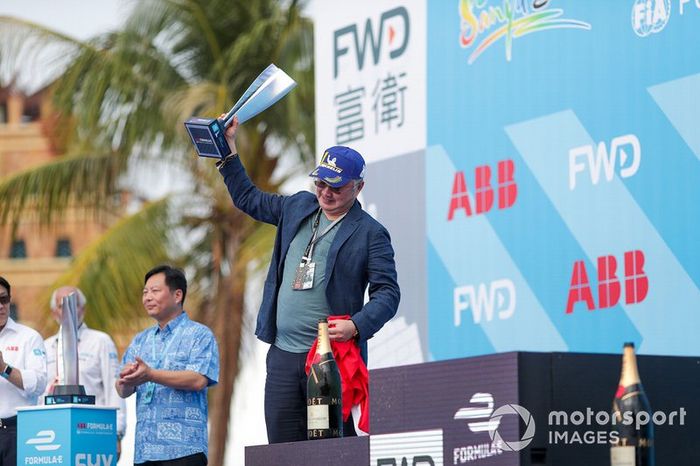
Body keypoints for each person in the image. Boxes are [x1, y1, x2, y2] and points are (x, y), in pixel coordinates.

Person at [217, 116, 400, 443]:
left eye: (336, 187)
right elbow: (247, 198)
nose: (326, 193)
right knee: (281, 452)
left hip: (329, 358)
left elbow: (388, 294)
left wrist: (356, 326)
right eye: (321, 183)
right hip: (283, 355)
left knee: (329, 450)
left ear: (359, 187)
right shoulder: (297, 207)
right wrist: (227, 149)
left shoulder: (371, 233)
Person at [116, 265, 219, 466]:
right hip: (145, 450)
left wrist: (151, 374)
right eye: (145, 292)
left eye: (155, 291)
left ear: (177, 295)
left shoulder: (199, 335)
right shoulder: (140, 340)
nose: (147, 297)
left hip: (184, 450)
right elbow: (122, 390)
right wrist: (126, 380)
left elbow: (198, 380)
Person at [43, 286, 127, 449]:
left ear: (83, 309)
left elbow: (114, 386)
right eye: (62, 306)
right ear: (54, 312)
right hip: (53, 431)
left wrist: (117, 432)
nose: (68, 310)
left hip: (93, 428)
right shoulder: (46, 346)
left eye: (73, 304)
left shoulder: (100, 341)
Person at [0, 276, 47, 466]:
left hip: (19, 431)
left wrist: (4, 369)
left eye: (3, 300)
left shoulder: (29, 337)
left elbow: (39, 384)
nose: (0, 306)